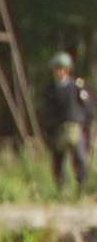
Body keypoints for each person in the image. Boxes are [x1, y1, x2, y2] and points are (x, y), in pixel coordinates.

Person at [43, 52, 91, 192]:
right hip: (58, 129)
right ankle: (61, 189)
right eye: (56, 69)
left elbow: (87, 107)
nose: (58, 72)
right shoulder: (51, 89)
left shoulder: (77, 86)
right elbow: (47, 111)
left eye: (61, 68)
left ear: (67, 69)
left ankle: (82, 188)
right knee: (58, 160)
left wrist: (85, 124)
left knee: (79, 158)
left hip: (75, 127)